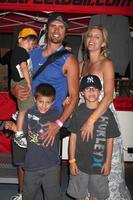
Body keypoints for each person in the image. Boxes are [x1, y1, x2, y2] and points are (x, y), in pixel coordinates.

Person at [10, 12, 79, 200]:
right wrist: (15, 90)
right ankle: (22, 193)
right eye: (53, 26)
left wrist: (58, 123)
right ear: (47, 29)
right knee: (23, 159)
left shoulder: (69, 60)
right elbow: (16, 78)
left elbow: (74, 97)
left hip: (51, 119)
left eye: (61, 27)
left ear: (65, 32)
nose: (57, 30)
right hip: (28, 115)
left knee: (50, 163)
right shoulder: (31, 53)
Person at [79, 26, 131, 199]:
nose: (92, 39)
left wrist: (91, 120)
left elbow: (108, 96)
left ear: (103, 43)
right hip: (85, 119)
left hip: (102, 121)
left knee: (103, 164)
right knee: (87, 163)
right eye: (89, 36)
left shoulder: (106, 63)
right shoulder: (82, 65)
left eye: (97, 37)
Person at [67, 75, 121, 200]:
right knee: (78, 194)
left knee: (95, 196)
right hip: (79, 164)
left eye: (94, 88)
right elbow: (73, 138)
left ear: (100, 92)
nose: (91, 91)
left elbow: (110, 139)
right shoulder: (78, 112)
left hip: (99, 165)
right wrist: (71, 161)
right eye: (87, 89)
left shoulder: (107, 113)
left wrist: (108, 162)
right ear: (82, 93)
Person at [21, 83, 62, 200]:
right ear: (35, 99)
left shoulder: (57, 114)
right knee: (27, 196)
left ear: (53, 102)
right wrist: (13, 126)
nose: (44, 106)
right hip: (31, 165)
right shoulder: (28, 114)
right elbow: (21, 131)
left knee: (53, 197)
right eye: (40, 102)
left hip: (51, 165)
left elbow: (68, 124)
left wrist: (68, 108)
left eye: (47, 102)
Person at [10, 27, 38, 148]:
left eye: (32, 44)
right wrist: (29, 82)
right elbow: (24, 68)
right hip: (22, 82)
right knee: (26, 109)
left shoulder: (18, 51)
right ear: (20, 40)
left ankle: (18, 114)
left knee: (26, 108)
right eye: (28, 42)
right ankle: (19, 134)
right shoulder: (21, 51)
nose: (30, 46)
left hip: (18, 82)